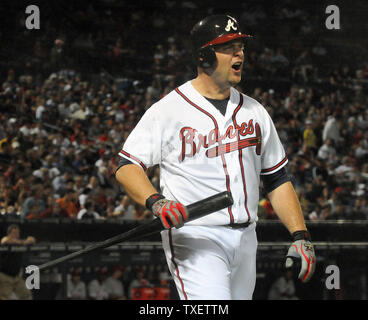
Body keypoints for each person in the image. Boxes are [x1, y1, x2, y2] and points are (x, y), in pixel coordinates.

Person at [115, 15, 316, 300]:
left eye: (241, 46)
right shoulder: (168, 110)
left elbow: (276, 178)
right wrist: (156, 201)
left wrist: (300, 235)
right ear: (204, 56)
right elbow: (127, 166)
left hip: (247, 236)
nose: (239, 53)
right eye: (228, 47)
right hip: (196, 236)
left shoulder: (254, 111)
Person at [0, 224, 36, 300]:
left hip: (16, 277)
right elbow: (5, 240)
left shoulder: (19, 242)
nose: (17, 235)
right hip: (5, 276)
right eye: (14, 233)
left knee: (26, 294)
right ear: (9, 234)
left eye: (18, 233)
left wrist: (27, 241)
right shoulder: (6, 240)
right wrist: (24, 242)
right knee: (4, 297)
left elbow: (32, 240)